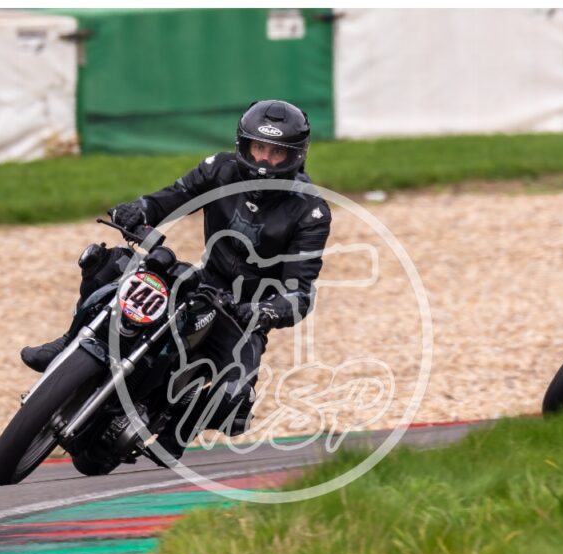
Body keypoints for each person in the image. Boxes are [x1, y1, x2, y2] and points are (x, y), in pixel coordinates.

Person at [21, 99, 332, 459]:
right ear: (244, 145)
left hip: (244, 314)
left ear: (295, 156)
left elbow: (299, 294)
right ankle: (71, 341)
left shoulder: (310, 211)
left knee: (235, 401)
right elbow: (172, 197)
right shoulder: (220, 169)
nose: (265, 160)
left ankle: (178, 427)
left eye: (277, 152)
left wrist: (261, 312)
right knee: (107, 263)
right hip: (202, 284)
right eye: (259, 148)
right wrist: (138, 211)